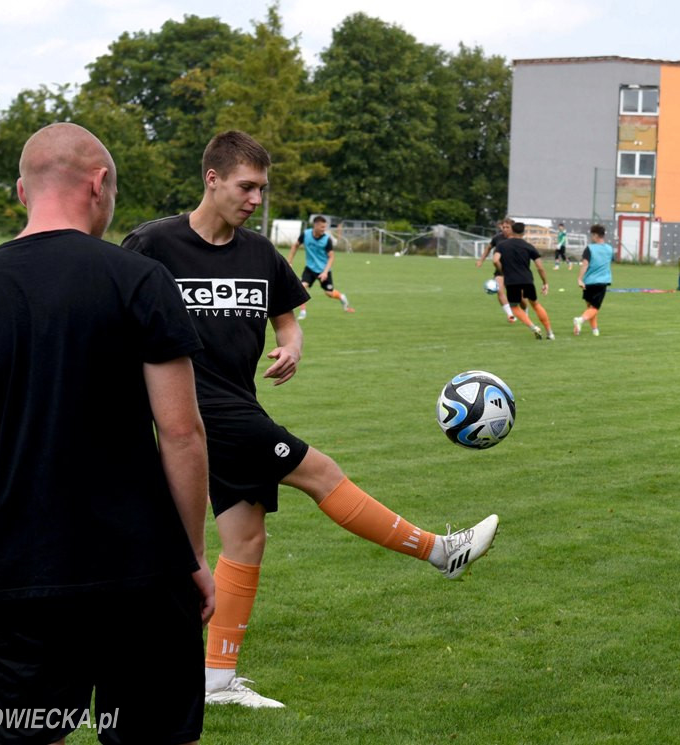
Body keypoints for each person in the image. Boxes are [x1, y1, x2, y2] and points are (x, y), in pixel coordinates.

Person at [124, 130, 499, 709]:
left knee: (246, 539)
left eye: (262, 189)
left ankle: (215, 680)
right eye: (246, 187)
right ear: (212, 178)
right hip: (195, 411)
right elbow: (113, 317)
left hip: (238, 405)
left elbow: (288, 315)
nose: (255, 199)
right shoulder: (153, 245)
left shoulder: (257, 253)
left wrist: (292, 343)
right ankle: (437, 551)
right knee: (319, 472)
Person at [0, 123, 214, 744]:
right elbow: (182, 435)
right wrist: (191, 557)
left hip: (22, 578)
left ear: (24, 191)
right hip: (143, 573)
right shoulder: (137, 280)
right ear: (99, 184)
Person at [494, 221, 554, 340]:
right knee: (535, 304)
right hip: (527, 279)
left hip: (511, 280)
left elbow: (495, 261)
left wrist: (502, 271)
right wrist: (545, 282)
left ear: (512, 230)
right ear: (523, 233)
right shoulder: (528, 246)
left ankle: (533, 327)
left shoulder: (502, 245)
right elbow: (540, 267)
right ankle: (550, 332)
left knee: (514, 307)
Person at [286, 215, 354, 318]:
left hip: (324, 270)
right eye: (322, 227)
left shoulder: (327, 240)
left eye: (325, 227)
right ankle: (303, 312)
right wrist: (289, 262)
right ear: (315, 225)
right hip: (310, 268)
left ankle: (342, 297)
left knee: (329, 293)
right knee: (302, 287)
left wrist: (325, 272)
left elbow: (331, 257)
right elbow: (295, 246)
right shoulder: (306, 234)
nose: (324, 229)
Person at [573, 224, 614, 336]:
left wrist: (580, 279)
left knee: (590, 307)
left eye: (592, 235)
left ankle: (594, 330)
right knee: (594, 308)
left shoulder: (589, 248)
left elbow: (585, 264)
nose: (591, 237)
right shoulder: (610, 249)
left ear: (596, 235)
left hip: (588, 282)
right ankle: (580, 320)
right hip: (602, 282)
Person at [477, 217, 517, 322]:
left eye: (507, 227)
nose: (504, 229)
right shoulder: (497, 238)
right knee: (499, 290)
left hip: (514, 270)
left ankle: (524, 313)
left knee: (519, 297)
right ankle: (510, 315)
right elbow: (488, 248)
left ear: (512, 228)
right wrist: (481, 260)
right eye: (503, 227)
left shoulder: (517, 239)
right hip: (500, 270)